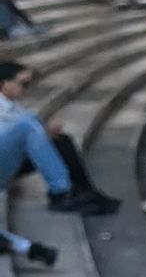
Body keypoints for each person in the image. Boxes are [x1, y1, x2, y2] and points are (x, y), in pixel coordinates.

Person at [0, 58, 119, 220]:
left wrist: (41, 134)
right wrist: (38, 133)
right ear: (5, 83)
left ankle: (83, 188)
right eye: (24, 84)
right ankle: (61, 192)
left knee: (61, 140)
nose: (28, 89)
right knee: (31, 127)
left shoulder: (10, 105)